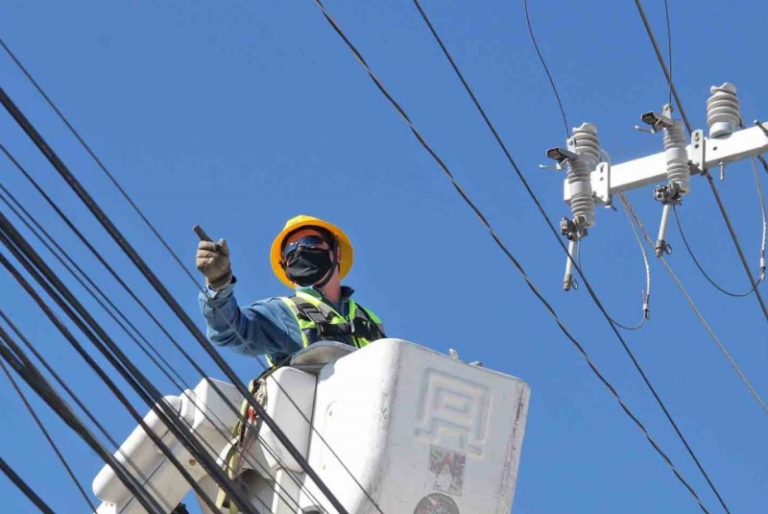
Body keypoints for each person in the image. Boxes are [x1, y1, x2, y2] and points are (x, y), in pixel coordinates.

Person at [197, 215, 386, 366]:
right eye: (290, 250)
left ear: (337, 253)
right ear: (286, 268)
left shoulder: (368, 318)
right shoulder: (282, 313)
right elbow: (230, 332)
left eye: (310, 241)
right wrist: (218, 283)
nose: (300, 250)